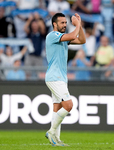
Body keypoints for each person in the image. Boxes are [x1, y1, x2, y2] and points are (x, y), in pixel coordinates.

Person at [45, 13, 86, 146]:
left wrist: (79, 25)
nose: (64, 25)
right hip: (54, 77)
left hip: (60, 77)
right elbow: (74, 36)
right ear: (54, 24)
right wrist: (77, 24)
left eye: (65, 23)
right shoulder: (53, 36)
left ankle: (55, 139)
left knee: (57, 108)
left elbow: (81, 40)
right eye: (62, 23)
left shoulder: (62, 38)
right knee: (69, 106)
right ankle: (51, 132)